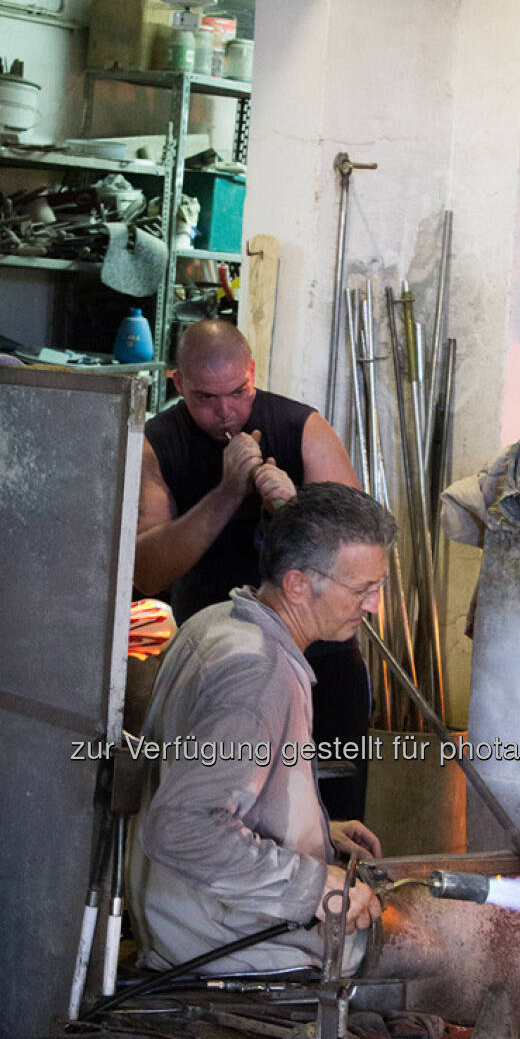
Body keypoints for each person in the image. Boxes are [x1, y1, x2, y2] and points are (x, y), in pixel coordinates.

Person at [128, 482, 393, 978]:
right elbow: (183, 826)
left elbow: (210, 776)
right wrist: (317, 888)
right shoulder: (258, 672)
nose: (373, 605)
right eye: (362, 589)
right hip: (228, 945)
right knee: (429, 952)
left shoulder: (218, 622)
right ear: (297, 584)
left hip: (188, 919)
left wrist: (311, 825)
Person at [133, 320, 372, 818]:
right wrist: (227, 493)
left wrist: (291, 508)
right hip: (221, 666)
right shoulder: (156, 443)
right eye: (205, 398)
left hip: (320, 664)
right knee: (229, 818)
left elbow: (358, 557)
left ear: (252, 373)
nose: (226, 412)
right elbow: (146, 571)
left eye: (238, 392)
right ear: (178, 384)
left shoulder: (303, 427)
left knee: (336, 821)